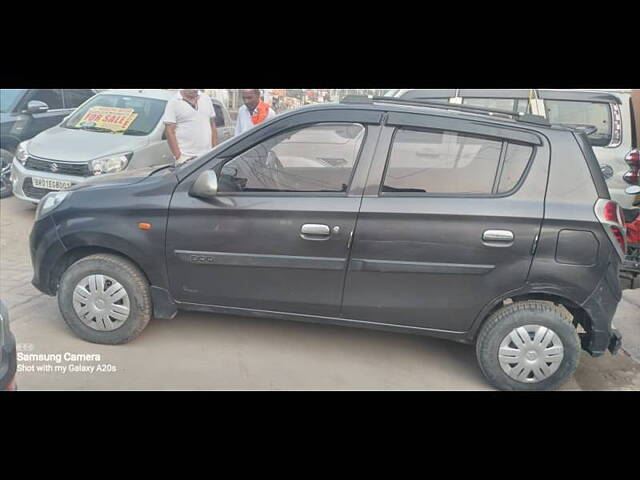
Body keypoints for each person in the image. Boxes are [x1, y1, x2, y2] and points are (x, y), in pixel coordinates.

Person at [163, 89, 218, 165]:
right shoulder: (174, 102)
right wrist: (178, 156)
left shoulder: (206, 99)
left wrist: (214, 151)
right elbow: (169, 130)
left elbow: (213, 126)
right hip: (186, 158)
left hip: (207, 156)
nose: (195, 90)